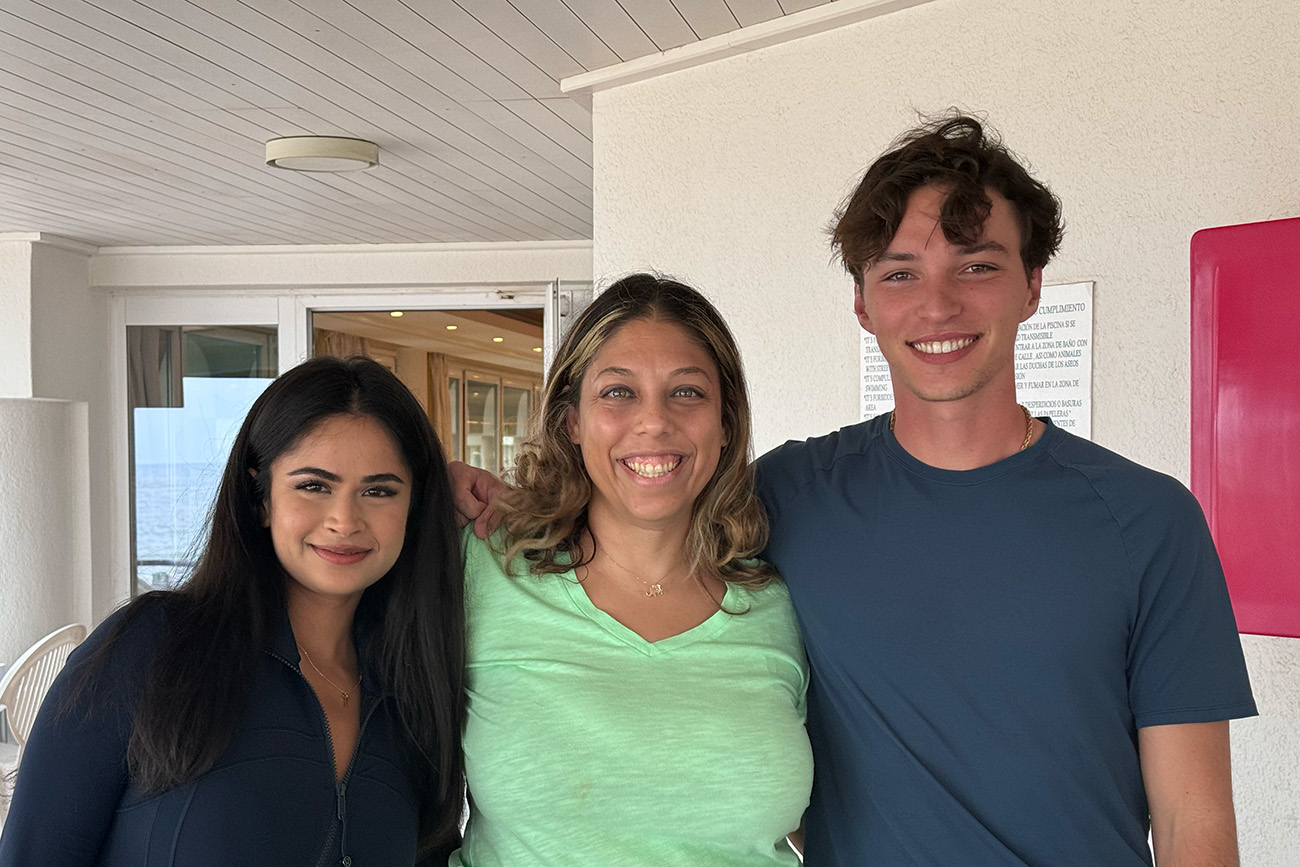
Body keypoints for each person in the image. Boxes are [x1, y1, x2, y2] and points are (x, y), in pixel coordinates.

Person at [454, 117, 1257, 866]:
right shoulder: (792, 495)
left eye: (978, 265)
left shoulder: (1148, 521)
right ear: (862, 304)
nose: (938, 303)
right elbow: (646, 498)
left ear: (1032, 285)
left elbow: (1194, 820)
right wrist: (470, 499)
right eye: (901, 273)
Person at [0, 356, 465, 867]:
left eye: (378, 491)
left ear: (414, 506)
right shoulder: (152, 648)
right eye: (313, 485)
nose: (344, 520)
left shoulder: (416, 693)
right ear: (261, 497)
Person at [451, 273, 811, 866]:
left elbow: (834, 818)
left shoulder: (784, 599)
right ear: (571, 419)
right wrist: (420, 487)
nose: (654, 422)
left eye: (687, 392)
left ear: (726, 424)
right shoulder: (485, 564)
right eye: (618, 392)